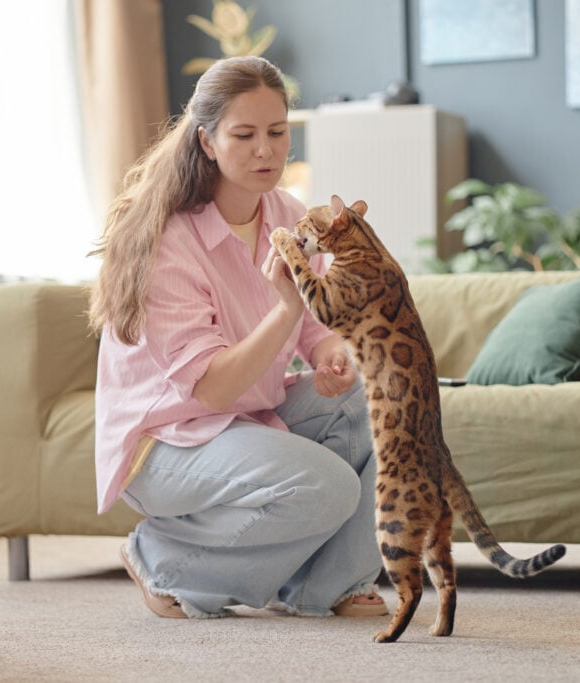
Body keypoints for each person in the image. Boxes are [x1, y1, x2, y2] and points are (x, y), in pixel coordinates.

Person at [87, 55, 386, 619]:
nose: (265, 150)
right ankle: (163, 560)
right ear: (207, 141)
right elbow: (213, 390)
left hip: (246, 421)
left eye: (277, 133)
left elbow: (320, 327)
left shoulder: (287, 213)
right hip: (167, 442)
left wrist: (330, 354)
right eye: (244, 135)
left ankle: (328, 585)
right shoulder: (168, 240)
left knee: (376, 397)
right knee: (326, 486)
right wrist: (286, 308)